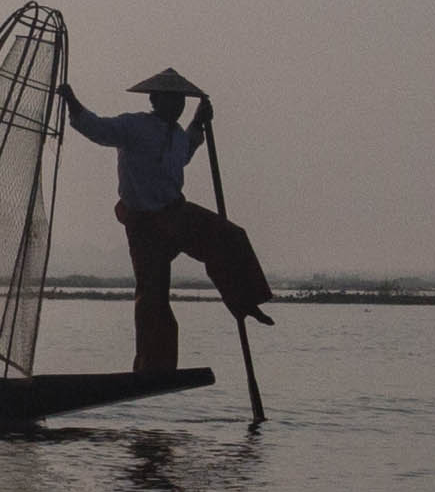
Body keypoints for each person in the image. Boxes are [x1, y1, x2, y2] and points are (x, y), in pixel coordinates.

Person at [62, 68, 276, 374]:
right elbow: (96, 129)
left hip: (175, 213)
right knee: (152, 297)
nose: (177, 106)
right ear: (154, 99)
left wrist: (199, 121)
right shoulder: (133, 125)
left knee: (230, 237)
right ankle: (153, 368)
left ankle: (245, 302)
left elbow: (185, 151)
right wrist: (72, 101)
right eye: (171, 100)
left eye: (181, 102)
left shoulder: (177, 134)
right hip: (144, 224)